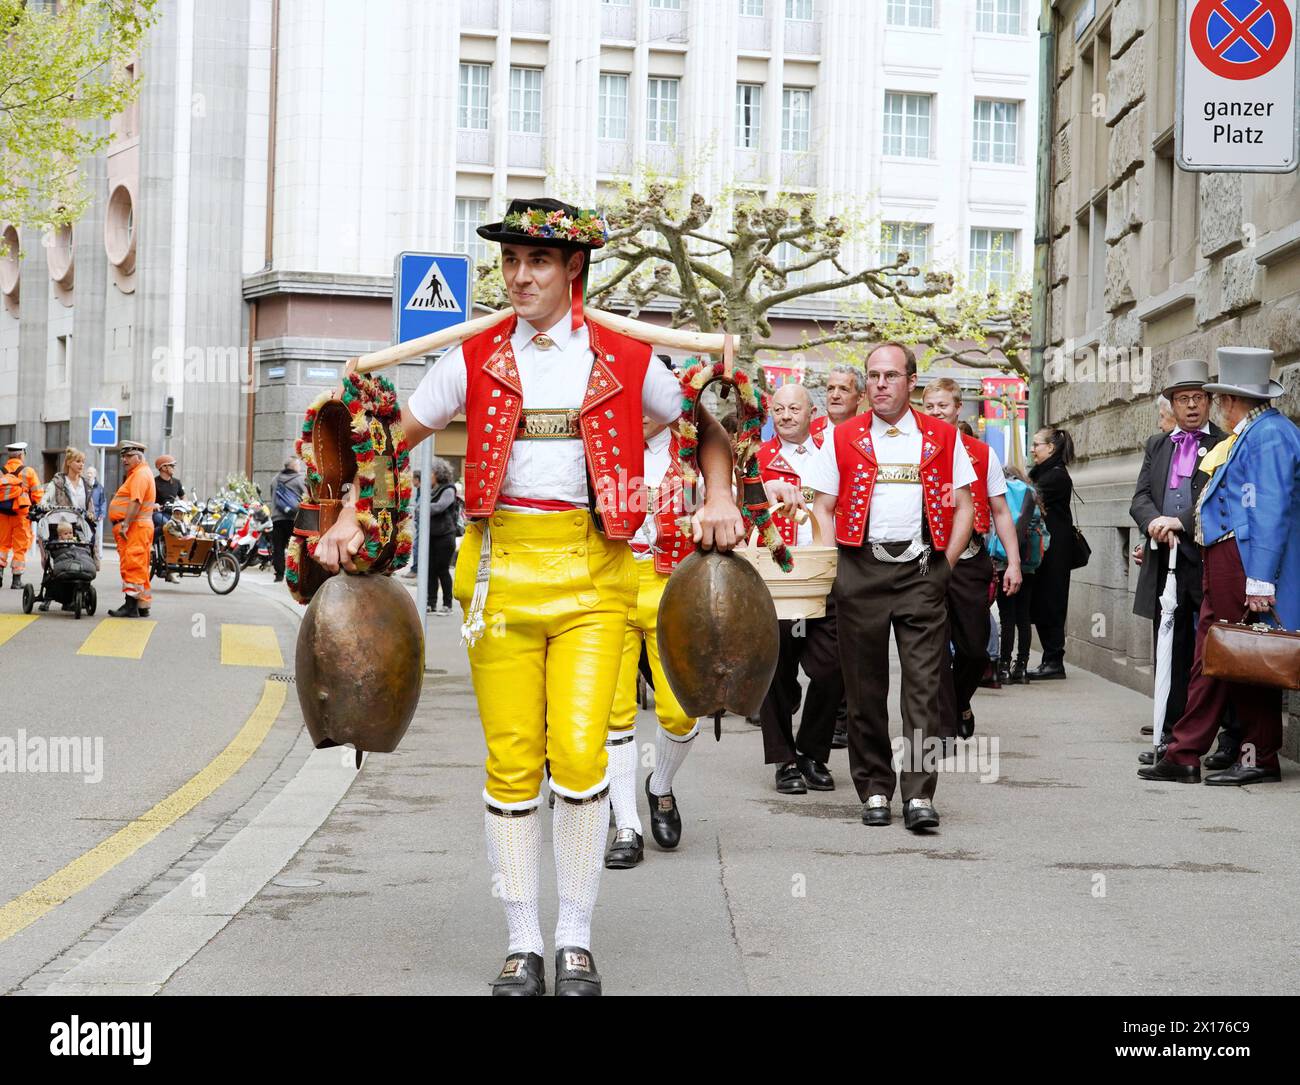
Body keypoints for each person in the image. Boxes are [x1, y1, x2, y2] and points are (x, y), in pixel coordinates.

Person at [310, 197, 744, 996]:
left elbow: (708, 422)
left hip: (596, 574)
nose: (519, 276)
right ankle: (523, 940)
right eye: (509, 262)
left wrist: (718, 494)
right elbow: (390, 442)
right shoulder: (471, 360)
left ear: (573, 269)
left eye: (537, 262)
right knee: (513, 760)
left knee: (580, 755)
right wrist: (344, 510)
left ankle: (575, 937)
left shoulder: (623, 354)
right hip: (498, 574)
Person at [805, 342, 975, 832]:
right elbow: (822, 505)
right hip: (860, 568)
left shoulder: (942, 436)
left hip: (922, 570)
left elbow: (965, 505)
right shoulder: (843, 437)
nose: (880, 384)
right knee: (864, 689)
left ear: (911, 382)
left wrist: (946, 562)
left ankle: (919, 795)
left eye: (891, 376)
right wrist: (835, 563)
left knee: (923, 690)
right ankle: (875, 788)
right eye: (873, 375)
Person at [1140, 347, 1300, 786]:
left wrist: (1260, 578)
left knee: (1241, 658)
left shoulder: (1268, 434)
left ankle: (1248, 755)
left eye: (1219, 398)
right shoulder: (1257, 431)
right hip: (1228, 557)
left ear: (1231, 400)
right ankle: (1189, 751)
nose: (1216, 406)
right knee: (1220, 656)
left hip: (1243, 560)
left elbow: (1269, 509)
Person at [603, 401, 702, 869]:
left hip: (672, 586)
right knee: (614, 713)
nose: (640, 409)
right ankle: (627, 824)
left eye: (650, 398)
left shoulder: (694, 454)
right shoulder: (602, 447)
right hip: (610, 584)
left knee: (682, 710)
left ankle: (659, 785)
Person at [1128, 360, 1230, 764]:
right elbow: (1139, 497)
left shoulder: (1223, 443)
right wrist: (1154, 522)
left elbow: (1220, 501)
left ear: (1209, 403)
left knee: (1214, 650)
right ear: (1172, 403)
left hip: (1203, 561)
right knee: (1169, 648)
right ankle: (1170, 739)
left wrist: (1181, 522)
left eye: (1198, 398)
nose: (1191, 406)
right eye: (1183, 398)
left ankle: (1225, 739)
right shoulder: (1158, 444)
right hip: (1163, 562)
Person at [755, 383, 844, 794]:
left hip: (823, 576)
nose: (786, 415)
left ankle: (812, 752)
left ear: (812, 412)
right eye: (778, 408)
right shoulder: (756, 461)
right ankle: (785, 760)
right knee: (774, 669)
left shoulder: (833, 453)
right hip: (773, 577)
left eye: (795, 408)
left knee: (830, 666)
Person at [921, 378, 1022, 738]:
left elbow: (1000, 510)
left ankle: (960, 700)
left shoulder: (981, 453)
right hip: (925, 560)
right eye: (929, 406)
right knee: (930, 649)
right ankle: (943, 725)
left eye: (942, 406)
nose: (935, 412)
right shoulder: (914, 449)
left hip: (969, 559)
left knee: (974, 650)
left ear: (957, 408)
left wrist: (1013, 562)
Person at [1027, 426, 1076, 679]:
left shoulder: (1055, 477)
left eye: (1037, 445)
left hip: (1055, 550)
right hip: (1049, 548)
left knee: (1052, 603)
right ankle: (1051, 659)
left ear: (1051, 448)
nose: (1033, 449)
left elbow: (1031, 500)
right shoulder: (1047, 473)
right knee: (1046, 602)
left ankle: (1054, 661)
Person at [994, 465, 1040, 684]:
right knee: (1024, 617)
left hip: (1005, 564)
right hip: (1028, 566)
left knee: (1006, 618)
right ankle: (1021, 667)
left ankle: (1003, 666)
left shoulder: (1002, 495)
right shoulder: (1031, 495)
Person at [107, 441, 157, 617]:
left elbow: (135, 501)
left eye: (128, 456)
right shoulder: (140, 473)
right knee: (140, 565)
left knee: (133, 564)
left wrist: (126, 524)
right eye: (123, 456)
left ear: (139, 457)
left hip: (134, 526)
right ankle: (142, 605)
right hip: (139, 526)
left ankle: (130, 606)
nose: (124, 460)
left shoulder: (140, 475)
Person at [39, 446, 95, 564]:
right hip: (62, 526)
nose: (81, 465)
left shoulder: (85, 485)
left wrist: (91, 514)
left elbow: (90, 507)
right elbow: (44, 500)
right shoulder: (59, 482)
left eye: (83, 462)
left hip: (81, 527)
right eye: (78, 461)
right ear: (69, 462)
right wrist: (44, 506)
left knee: (89, 558)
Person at [0, 441, 44, 588]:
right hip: (21, 514)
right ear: (21, 454)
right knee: (20, 547)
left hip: (2, 514)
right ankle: (16, 581)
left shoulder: (1, 471)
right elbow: (37, 493)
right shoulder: (28, 472)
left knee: (2, 546)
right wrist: (38, 508)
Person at [424, 457, 460, 615]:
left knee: (442, 570)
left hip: (445, 536)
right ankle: (431, 603)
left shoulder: (448, 489)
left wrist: (423, 506)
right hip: (431, 534)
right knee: (430, 570)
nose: (428, 475)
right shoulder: (431, 489)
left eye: (430, 472)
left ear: (438, 473)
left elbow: (439, 507)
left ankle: (447, 605)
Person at [810, 362, 865, 443]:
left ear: (860, 397)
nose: (835, 396)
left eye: (843, 389)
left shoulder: (868, 435)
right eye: (830, 388)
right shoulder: (807, 431)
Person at [270, 456, 306, 583]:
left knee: (278, 548)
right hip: (293, 518)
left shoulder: (275, 479)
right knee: (296, 546)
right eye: (298, 465)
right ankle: (295, 574)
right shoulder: (300, 479)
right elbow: (307, 496)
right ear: (294, 466)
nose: (300, 467)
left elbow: (272, 496)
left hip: (277, 518)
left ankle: (279, 575)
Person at [152, 455, 184, 583]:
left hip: (174, 515)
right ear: (163, 467)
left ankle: (175, 560)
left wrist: (187, 505)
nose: (173, 468)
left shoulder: (176, 482)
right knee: (170, 526)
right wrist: (154, 505)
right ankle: (150, 540)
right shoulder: (154, 482)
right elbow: (149, 499)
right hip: (159, 513)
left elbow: (183, 497)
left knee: (185, 529)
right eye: (171, 465)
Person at [85, 463, 107, 560]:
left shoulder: (99, 487)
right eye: (88, 473)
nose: (89, 475)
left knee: (95, 536)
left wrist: (102, 513)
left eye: (91, 473)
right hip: (85, 514)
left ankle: (95, 555)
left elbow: (103, 501)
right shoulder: (84, 485)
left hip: (95, 515)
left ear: (95, 474)